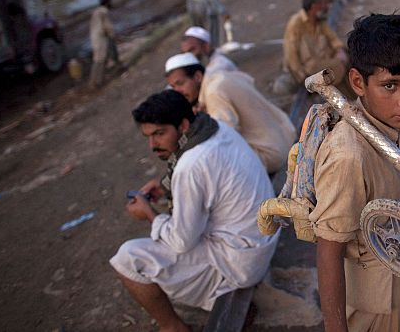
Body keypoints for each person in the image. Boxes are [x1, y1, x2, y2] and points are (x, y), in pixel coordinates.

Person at [110, 90, 277, 331]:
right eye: (148, 136)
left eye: (159, 134)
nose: (153, 145)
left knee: (127, 258)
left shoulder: (190, 165)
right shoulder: (214, 127)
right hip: (262, 239)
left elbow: (181, 242)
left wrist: (149, 214)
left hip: (241, 262)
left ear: (184, 125)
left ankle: (173, 327)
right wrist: (169, 189)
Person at [311, 13, 400, 332]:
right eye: (390, 85)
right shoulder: (349, 155)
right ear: (358, 83)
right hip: (376, 305)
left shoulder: (383, 124)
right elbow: (328, 252)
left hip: (399, 277)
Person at [164, 53, 295, 174]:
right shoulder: (220, 75)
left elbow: (224, 139)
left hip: (272, 154)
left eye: (180, 83)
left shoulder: (213, 92)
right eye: (173, 87)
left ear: (197, 77)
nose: (178, 91)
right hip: (286, 133)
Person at [280, 0, 348, 93]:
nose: (327, 8)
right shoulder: (296, 23)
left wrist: (339, 49)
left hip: (322, 60)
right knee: (339, 66)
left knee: (345, 58)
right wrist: (301, 75)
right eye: (324, 5)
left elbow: (332, 38)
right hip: (309, 67)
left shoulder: (319, 21)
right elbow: (291, 53)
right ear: (314, 6)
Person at [88, 0, 119, 89]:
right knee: (100, 60)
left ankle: (94, 81)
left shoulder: (96, 11)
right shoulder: (103, 12)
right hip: (101, 38)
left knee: (97, 59)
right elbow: (107, 26)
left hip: (94, 37)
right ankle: (97, 82)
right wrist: (113, 35)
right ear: (107, 2)